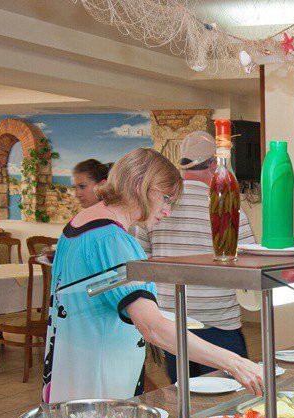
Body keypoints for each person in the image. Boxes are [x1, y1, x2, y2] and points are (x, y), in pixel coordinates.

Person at [43, 148, 263, 403]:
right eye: (166, 198)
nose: (168, 211)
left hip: (70, 374)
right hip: (100, 387)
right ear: (140, 185)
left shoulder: (79, 223)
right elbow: (152, 327)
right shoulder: (114, 240)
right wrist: (235, 363)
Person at [135, 130, 257, 383]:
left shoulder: (158, 205)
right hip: (218, 321)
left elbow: (142, 260)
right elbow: (249, 262)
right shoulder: (227, 204)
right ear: (214, 164)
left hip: (172, 322)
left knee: (185, 394)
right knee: (230, 394)